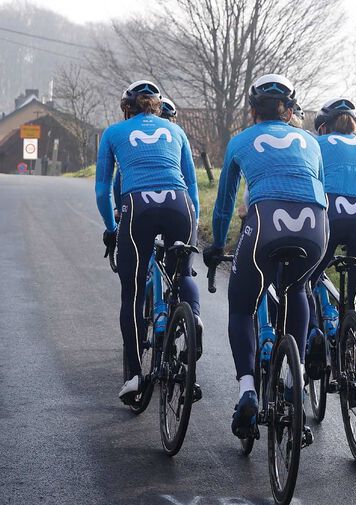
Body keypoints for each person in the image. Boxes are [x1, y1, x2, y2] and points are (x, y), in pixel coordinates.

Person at [202, 74, 328, 439]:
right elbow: (317, 187)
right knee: (298, 291)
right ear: (290, 111)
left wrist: (217, 246)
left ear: (253, 110)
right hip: (316, 225)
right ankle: (295, 380)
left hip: (264, 222)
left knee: (242, 307)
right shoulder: (311, 142)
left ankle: (247, 392)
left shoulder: (240, 140)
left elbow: (225, 202)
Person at [96, 80, 201, 404]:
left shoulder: (114, 133)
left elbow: (103, 190)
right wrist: (193, 228)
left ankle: (133, 377)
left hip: (137, 206)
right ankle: (192, 317)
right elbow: (193, 189)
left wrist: (112, 227)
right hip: (180, 204)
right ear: (157, 107)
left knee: (133, 291)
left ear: (128, 108)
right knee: (182, 275)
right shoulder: (177, 132)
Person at [309, 98, 356, 338]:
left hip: (330, 213)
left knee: (303, 284)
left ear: (323, 127)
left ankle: (312, 340)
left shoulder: (316, 143)